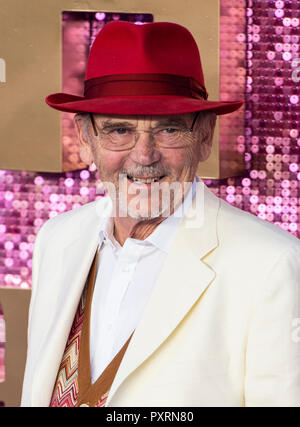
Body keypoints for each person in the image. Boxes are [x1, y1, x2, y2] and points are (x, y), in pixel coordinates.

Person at [21, 21, 300, 407]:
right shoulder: (57, 239)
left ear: (204, 136)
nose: (143, 155)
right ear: (85, 139)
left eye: (169, 130)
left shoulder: (270, 265)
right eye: (119, 130)